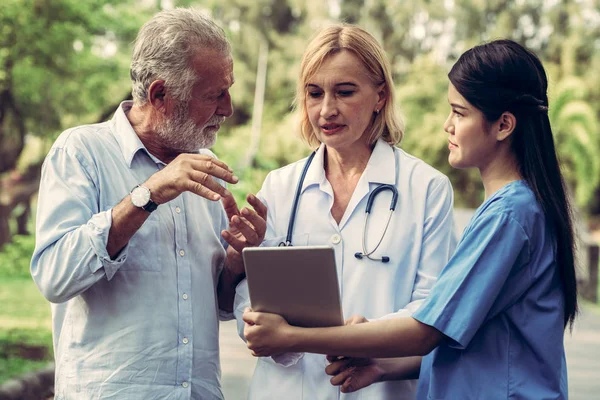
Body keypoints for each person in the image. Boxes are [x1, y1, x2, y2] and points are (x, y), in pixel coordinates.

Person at [243, 39, 579, 400]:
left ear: (503, 125)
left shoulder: (508, 216)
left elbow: (426, 330)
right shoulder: (516, 208)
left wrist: (292, 337)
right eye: (313, 92)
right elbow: (467, 338)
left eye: (459, 112)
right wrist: (385, 365)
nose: (447, 126)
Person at [30, 8, 266, 400]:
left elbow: (219, 306)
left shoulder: (203, 166)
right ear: (160, 95)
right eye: (214, 95)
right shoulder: (81, 151)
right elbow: (55, 277)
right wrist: (148, 195)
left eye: (228, 89)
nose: (227, 108)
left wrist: (237, 260)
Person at [232, 24, 456, 400]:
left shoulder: (427, 189)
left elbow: (432, 310)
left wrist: (364, 337)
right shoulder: (280, 187)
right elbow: (249, 298)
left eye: (345, 92)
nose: (326, 110)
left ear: (380, 96)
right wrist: (256, 321)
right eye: (314, 93)